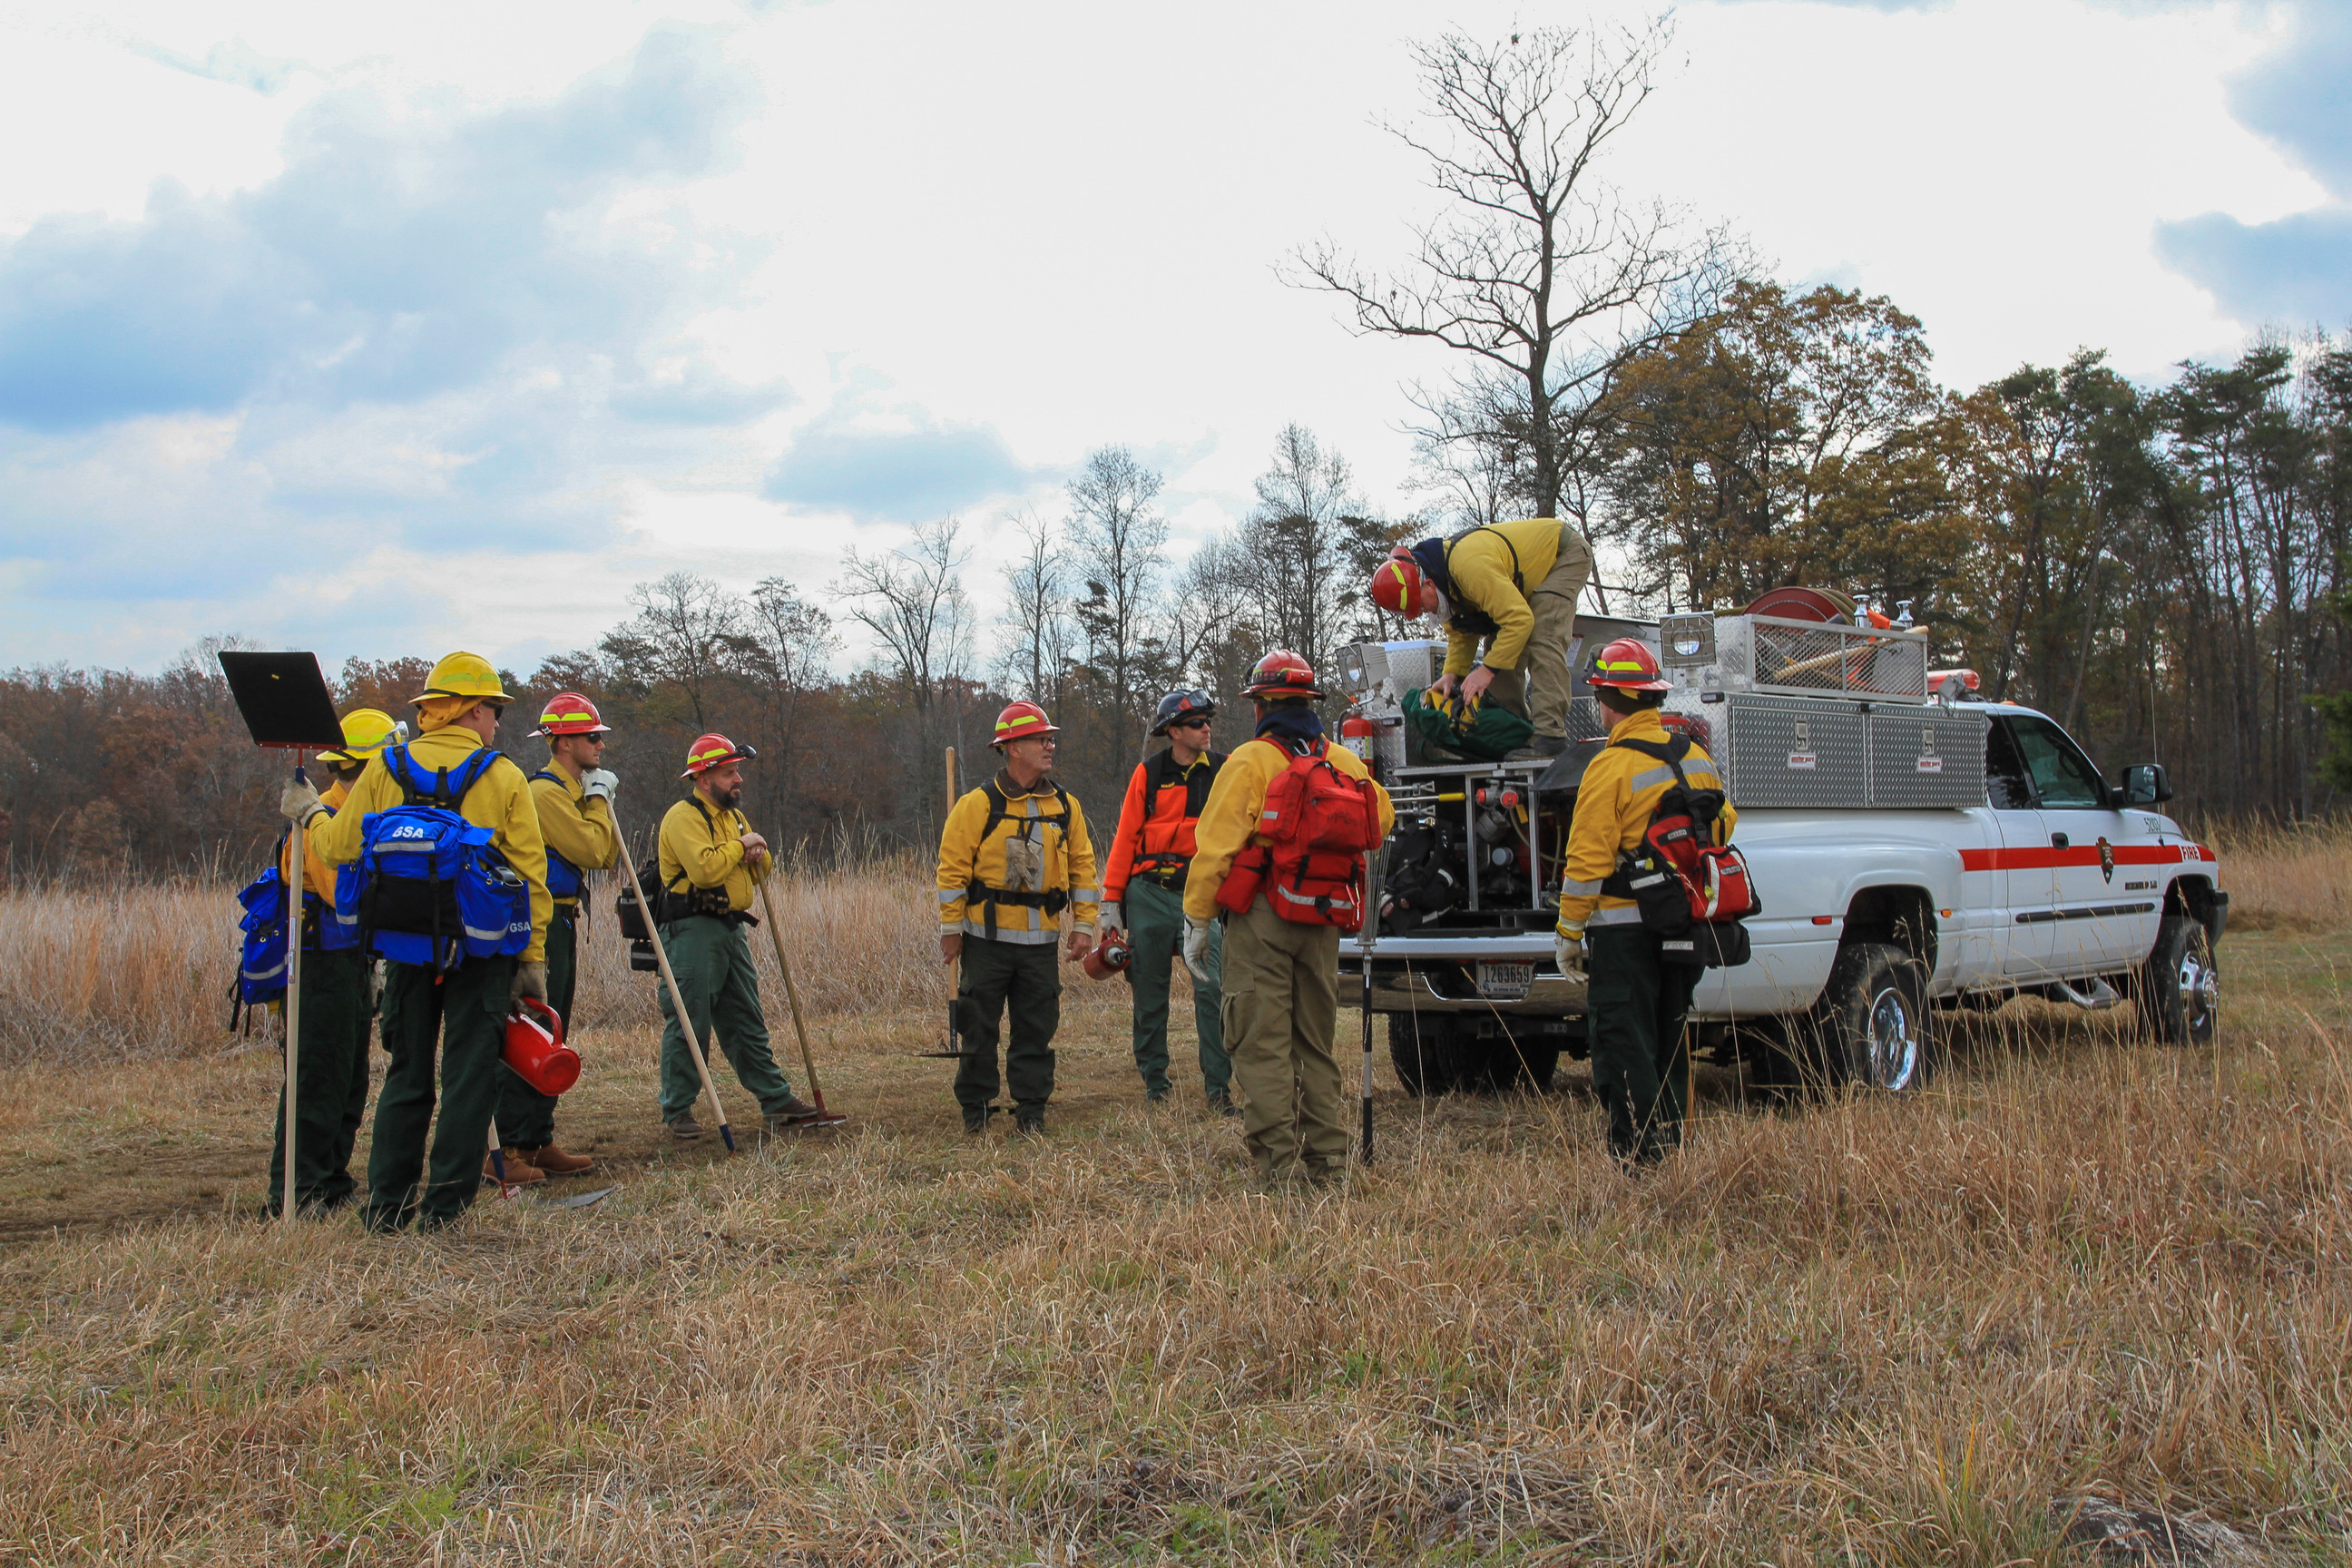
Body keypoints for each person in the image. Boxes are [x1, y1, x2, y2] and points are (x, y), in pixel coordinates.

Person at [289, 652, 552, 1232]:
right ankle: (445, 1212)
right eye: (495, 710)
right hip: (482, 953)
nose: (498, 722)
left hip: (406, 948)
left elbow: (336, 848)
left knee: (407, 1074)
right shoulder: (505, 776)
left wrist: (309, 812)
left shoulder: (386, 767)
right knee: (467, 1077)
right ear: (474, 709)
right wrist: (531, 960)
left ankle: (386, 1208)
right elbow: (532, 876)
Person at [1182, 652, 1393, 1185]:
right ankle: (1329, 1165)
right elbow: (1381, 816)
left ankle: (1277, 1169)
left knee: (1262, 1044)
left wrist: (1198, 919)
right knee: (1315, 1045)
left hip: (1261, 918)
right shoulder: (1342, 762)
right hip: (1324, 918)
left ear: (1262, 706)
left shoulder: (1250, 762)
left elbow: (1214, 849)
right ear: (1309, 703)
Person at [1553, 638, 1738, 1169]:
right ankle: (1669, 1147)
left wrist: (1568, 933)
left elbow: (1586, 860)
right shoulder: (1695, 758)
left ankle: (1638, 1154)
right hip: (1684, 921)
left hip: (1623, 933)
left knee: (1622, 1038)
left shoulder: (1609, 767)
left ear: (1609, 700)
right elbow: (1724, 826)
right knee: (1668, 1034)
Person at [936, 701, 1099, 1134]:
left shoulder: (1067, 806)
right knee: (979, 1028)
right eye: (1040, 739)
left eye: (1050, 738)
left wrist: (1084, 925)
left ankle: (1032, 1110)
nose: (1050, 745)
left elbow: (1084, 868)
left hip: (1041, 944)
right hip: (985, 942)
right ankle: (976, 1110)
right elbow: (951, 873)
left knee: (1035, 1029)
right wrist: (951, 932)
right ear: (1012, 749)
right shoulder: (975, 806)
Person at [266, 706, 402, 1216]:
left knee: (349, 1078)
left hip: (350, 961)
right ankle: (298, 1191)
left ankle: (331, 1181)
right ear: (369, 766)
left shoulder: (355, 812)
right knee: (317, 1077)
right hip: (318, 962)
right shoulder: (321, 816)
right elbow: (338, 893)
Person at [654, 733, 821, 1139]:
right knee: (690, 1019)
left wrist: (757, 852)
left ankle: (775, 1099)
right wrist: (741, 845)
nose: (737, 780)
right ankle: (678, 1110)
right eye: (729, 773)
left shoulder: (734, 818)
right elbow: (704, 870)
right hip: (691, 930)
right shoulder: (683, 817)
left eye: (737, 772)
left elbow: (761, 871)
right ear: (703, 778)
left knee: (747, 1016)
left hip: (731, 928)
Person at [486, 691, 620, 1182]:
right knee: (531, 1032)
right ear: (563, 742)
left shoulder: (572, 791)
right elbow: (594, 851)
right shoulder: (544, 793)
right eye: (591, 736)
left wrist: (592, 798)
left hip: (563, 919)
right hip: (539, 924)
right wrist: (599, 799)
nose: (600, 745)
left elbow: (602, 852)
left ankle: (537, 1139)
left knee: (554, 1029)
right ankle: (507, 1147)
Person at [1102, 688, 1231, 1111]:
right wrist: (1110, 905)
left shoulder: (1224, 771)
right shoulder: (1150, 773)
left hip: (1199, 896)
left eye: (1208, 720)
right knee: (1149, 991)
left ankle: (1218, 1090)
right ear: (1174, 731)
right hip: (1148, 895)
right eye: (1197, 723)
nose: (1206, 728)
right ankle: (1155, 1084)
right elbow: (1125, 840)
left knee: (1211, 989)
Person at [1368, 517, 1593, 759]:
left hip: (1560, 555)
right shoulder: (1445, 584)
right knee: (1497, 645)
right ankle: (1514, 733)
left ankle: (1550, 737)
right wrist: (1450, 674)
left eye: (1421, 605)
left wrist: (1486, 671)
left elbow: (1519, 620)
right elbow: (1461, 636)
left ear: (1429, 584)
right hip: (1523, 581)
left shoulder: (1469, 567)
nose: (1424, 612)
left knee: (1542, 634)